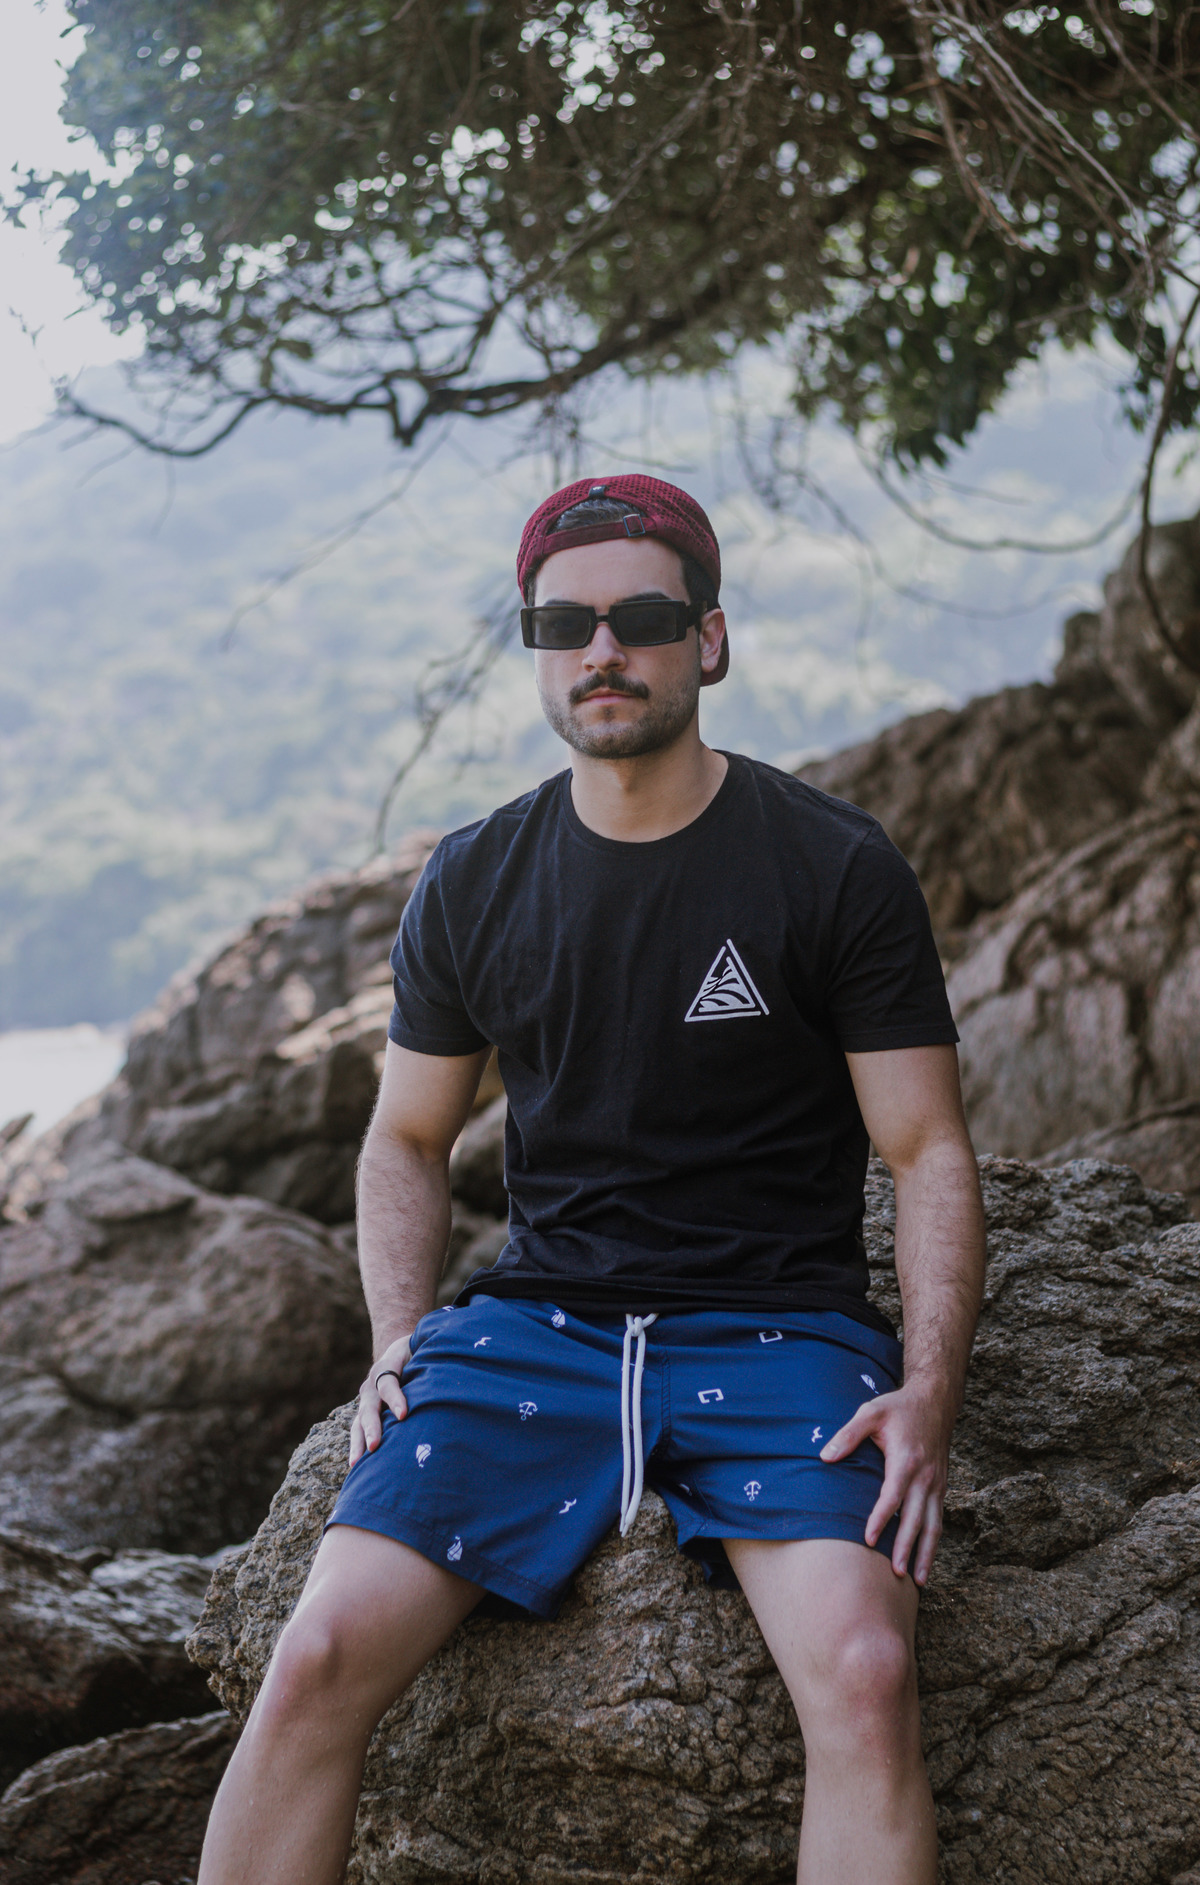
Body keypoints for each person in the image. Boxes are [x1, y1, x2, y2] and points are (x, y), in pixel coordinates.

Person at [198, 474, 985, 1885]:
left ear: (710, 639)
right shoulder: (475, 879)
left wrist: (929, 1391)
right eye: (566, 624)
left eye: (642, 619)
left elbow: (926, 1148)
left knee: (869, 1675)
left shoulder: (833, 865)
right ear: (538, 647)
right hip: (537, 1330)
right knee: (313, 1655)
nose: (602, 649)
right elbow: (405, 1138)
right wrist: (395, 1340)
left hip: (780, 1329)